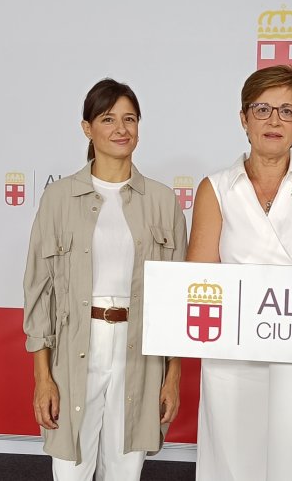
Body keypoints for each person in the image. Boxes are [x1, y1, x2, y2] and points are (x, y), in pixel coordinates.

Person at [187, 64, 292, 481]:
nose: (274, 121)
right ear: (243, 119)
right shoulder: (216, 187)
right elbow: (199, 278)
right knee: (233, 463)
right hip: (233, 358)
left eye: (287, 111)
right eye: (262, 110)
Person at [23, 78, 187, 481]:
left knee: (125, 471)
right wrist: (43, 378)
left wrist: (173, 376)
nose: (121, 129)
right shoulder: (59, 199)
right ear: (87, 128)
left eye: (129, 119)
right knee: (70, 469)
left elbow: (176, 298)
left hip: (140, 354)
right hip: (76, 345)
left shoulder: (164, 202)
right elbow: (38, 291)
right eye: (108, 118)